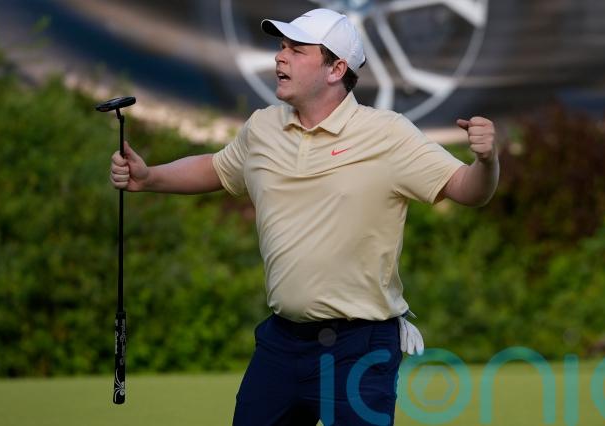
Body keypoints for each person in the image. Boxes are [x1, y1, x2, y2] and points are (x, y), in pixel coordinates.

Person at [109, 8, 498, 426]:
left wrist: (487, 161)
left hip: (359, 347)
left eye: (297, 50)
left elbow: (467, 189)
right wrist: (150, 178)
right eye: (281, 47)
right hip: (282, 343)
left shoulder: (388, 133)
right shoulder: (262, 128)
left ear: (336, 69)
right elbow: (218, 169)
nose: (280, 57)